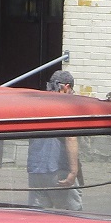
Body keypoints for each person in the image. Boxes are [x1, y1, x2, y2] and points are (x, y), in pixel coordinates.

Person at [27, 70, 82, 211]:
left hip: (35, 171)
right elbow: (70, 137)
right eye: (72, 90)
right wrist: (73, 172)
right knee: (71, 216)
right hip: (58, 171)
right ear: (66, 87)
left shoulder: (36, 105)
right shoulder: (64, 106)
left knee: (38, 216)